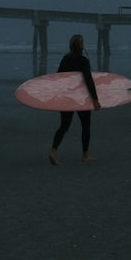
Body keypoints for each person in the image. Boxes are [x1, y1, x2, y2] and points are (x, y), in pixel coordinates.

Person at [49, 34, 100, 166]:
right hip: (81, 98)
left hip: (66, 97)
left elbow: (58, 77)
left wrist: (56, 96)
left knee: (64, 126)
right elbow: (88, 81)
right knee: (85, 126)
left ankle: (53, 151)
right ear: (81, 46)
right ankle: (85, 154)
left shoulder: (65, 59)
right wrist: (95, 99)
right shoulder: (83, 60)